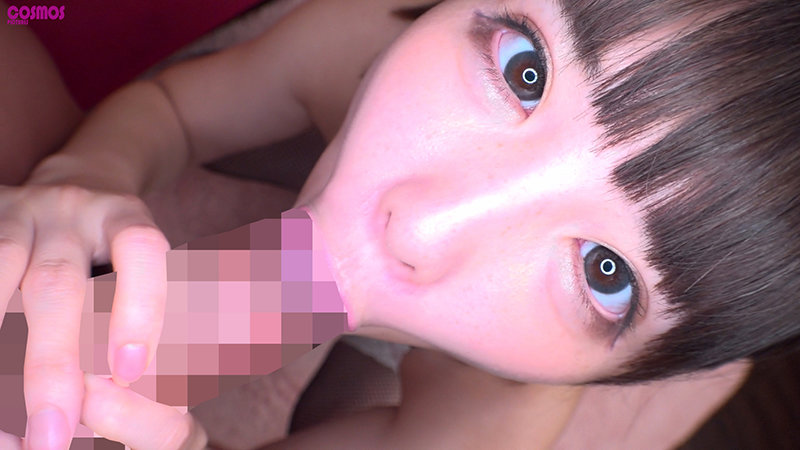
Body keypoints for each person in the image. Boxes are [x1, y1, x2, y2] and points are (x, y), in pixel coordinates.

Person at [1, 0, 797, 447]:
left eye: (605, 272)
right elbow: (175, 109)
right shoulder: (352, 38)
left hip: (459, 357)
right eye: (525, 71)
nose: (422, 227)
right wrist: (89, 170)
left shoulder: (498, 410)